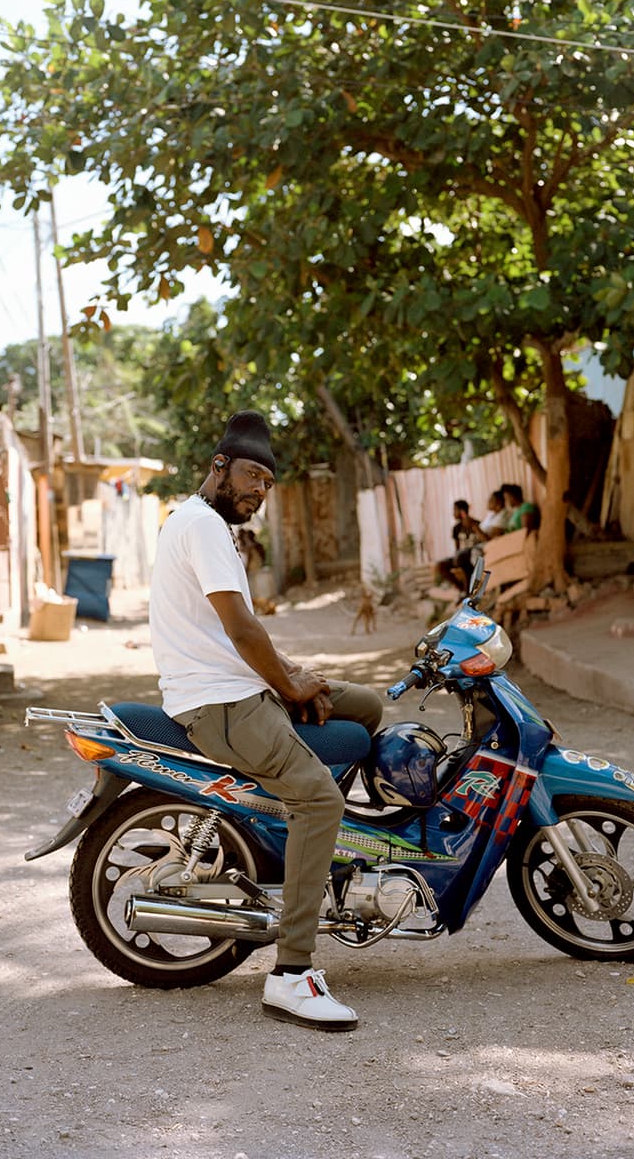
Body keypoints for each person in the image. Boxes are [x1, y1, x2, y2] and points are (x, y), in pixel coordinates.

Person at [149, 411, 383, 1033]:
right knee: (319, 800)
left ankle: (340, 854)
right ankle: (292, 975)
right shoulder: (201, 526)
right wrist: (288, 683)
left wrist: (296, 676)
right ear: (220, 466)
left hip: (238, 687)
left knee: (365, 706)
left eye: (269, 484)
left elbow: (240, 635)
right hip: (220, 704)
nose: (260, 490)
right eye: (253, 476)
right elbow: (241, 629)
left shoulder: (205, 526)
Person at [454, 489, 511, 587]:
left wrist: (473, 525)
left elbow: (488, 539)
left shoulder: (503, 515)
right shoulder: (491, 515)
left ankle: (479, 586)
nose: (488, 502)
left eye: (491, 499)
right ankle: (470, 587)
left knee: (463, 557)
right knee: (461, 557)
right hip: (479, 544)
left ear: (499, 502)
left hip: (489, 545)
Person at [436, 499, 481, 588]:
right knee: (441, 565)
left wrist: (473, 526)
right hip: (461, 555)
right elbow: (457, 547)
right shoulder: (456, 528)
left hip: (473, 554)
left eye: (455, 510)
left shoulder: (476, 524)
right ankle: (461, 589)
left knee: (462, 558)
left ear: (462, 511)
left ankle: (468, 589)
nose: (453, 513)